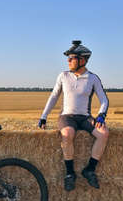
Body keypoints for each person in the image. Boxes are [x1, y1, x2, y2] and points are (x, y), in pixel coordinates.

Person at [38, 40, 109, 191]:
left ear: (82, 60)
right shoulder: (63, 76)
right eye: (68, 58)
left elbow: (104, 99)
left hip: (85, 117)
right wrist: (44, 116)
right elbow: (53, 96)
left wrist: (102, 115)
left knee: (103, 133)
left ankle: (89, 169)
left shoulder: (92, 78)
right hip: (67, 117)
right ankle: (70, 173)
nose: (68, 61)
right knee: (67, 134)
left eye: (72, 58)